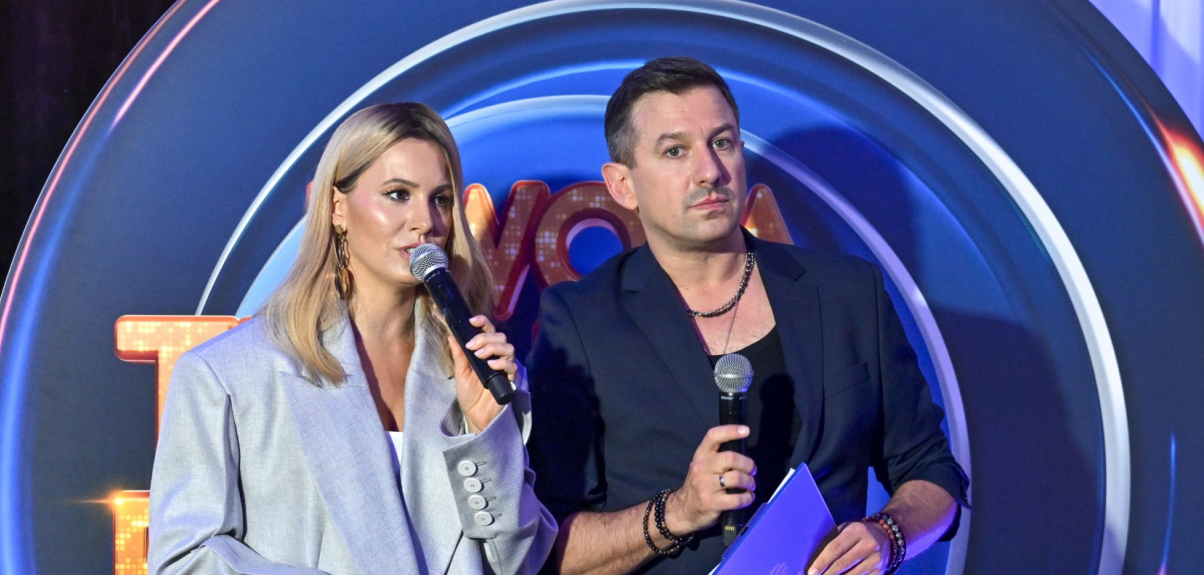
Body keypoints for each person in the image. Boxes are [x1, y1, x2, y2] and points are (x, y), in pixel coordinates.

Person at [526, 57, 968, 574]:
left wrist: (889, 535)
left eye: (722, 142)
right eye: (675, 151)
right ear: (622, 184)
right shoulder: (581, 322)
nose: (709, 171)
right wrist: (678, 512)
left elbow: (932, 471)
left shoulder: (847, 293)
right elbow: (548, 550)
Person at [148, 103, 557, 574]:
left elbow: (519, 562)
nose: (426, 221)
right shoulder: (228, 373)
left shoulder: (479, 370)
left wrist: (487, 434)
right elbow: (183, 560)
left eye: (441, 199)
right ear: (337, 208)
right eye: (398, 194)